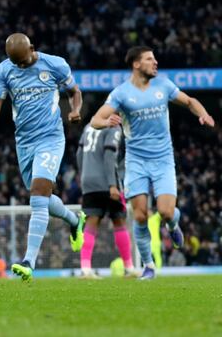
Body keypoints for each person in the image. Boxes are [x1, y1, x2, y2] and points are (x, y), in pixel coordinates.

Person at [90, 46, 215, 280]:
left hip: (163, 160)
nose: (155, 62)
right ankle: (148, 266)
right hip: (136, 162)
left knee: (167, 212)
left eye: (155, 58)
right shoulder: (121, 93)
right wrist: (106, 123)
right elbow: (95, 119)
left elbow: (189, 101)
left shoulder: (164, 85)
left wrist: (202, 113)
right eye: (150, 59)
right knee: (139, 216)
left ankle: (172, 225)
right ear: (137, 64)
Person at [0, 33, 86, 281]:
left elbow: (74, 92)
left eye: (23, 61)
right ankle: (74, 220)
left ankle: (28, 262)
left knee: (38, 197)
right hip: (24, 143)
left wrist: (75, 111)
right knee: (42, 199)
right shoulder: (4, 69)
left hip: (51, 139)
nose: (20, 66)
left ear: (32, 48)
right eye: (16, 62)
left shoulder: (55, 64)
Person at [75, 125, 135, 278]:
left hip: (88, 181)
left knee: (91, 223)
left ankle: (85, 268)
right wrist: (112, 184)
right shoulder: (113, 127)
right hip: (108, 182)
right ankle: (129, 267)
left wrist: (84, 175)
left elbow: (79, 154)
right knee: (119, 221)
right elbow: (109, 155)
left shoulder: (88, 127)